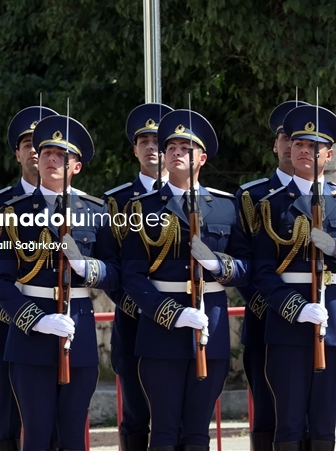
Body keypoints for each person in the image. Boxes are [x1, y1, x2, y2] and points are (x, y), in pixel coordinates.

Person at [121, 109, 249, 451]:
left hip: (211, 326)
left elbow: (247, 266)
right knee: (163, 432)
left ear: (202, 158)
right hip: (160, 332)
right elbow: (132, 275)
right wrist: (171, 313)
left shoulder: (225, 206)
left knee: (197, 432)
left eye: (186, 148)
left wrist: (218, 264)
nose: (177, 153)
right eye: (172, 147)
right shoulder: (141, 208)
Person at [0, 114, 118, 451]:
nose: (50, 159)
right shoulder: (12, 212)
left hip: (79, 330)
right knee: (36, 436)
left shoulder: (96, 211)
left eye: (61, 155)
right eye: (46, 152)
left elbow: (115, 271)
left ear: (77, 166)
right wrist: (36, 320)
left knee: (73, 436)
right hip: (30, 337)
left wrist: (87, 268)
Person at [0, 105, 56, 451]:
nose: (34, 150)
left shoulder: (72, 205)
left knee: (56, 422)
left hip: (57, 325)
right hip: (8, 328)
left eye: (41, 144)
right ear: (17, 153)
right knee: (10, 420)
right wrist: (7, 311)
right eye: (27, 144)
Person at [252, 104, 336, 451]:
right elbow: (262, 271)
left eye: (314, 146)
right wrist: (296, 308)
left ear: (329, 154)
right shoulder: (271, 205)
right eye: (299, 144)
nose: (304, 151)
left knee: (325, 425)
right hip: (287, 327)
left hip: (333, 323)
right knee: (288, 424)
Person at [234, 99, 307, 451]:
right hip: (267, 322)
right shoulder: (252, 196)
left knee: (316, 416)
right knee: (268, 414)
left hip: (320, 323)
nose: (293, 146)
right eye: (286, 137)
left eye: (303, 141)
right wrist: (277, 308)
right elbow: (245, 263)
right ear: (276, 144)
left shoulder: (328, 196)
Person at [103, 103, 172, 451]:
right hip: (134, 322)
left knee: (177, 417)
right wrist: (142, 306)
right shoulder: (116, 203)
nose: (151, 147)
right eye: (144, 141)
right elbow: (110, 267)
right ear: (134, 149)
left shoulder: (190, 199)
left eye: (158, 141)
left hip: (182, 320)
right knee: (135, 416)